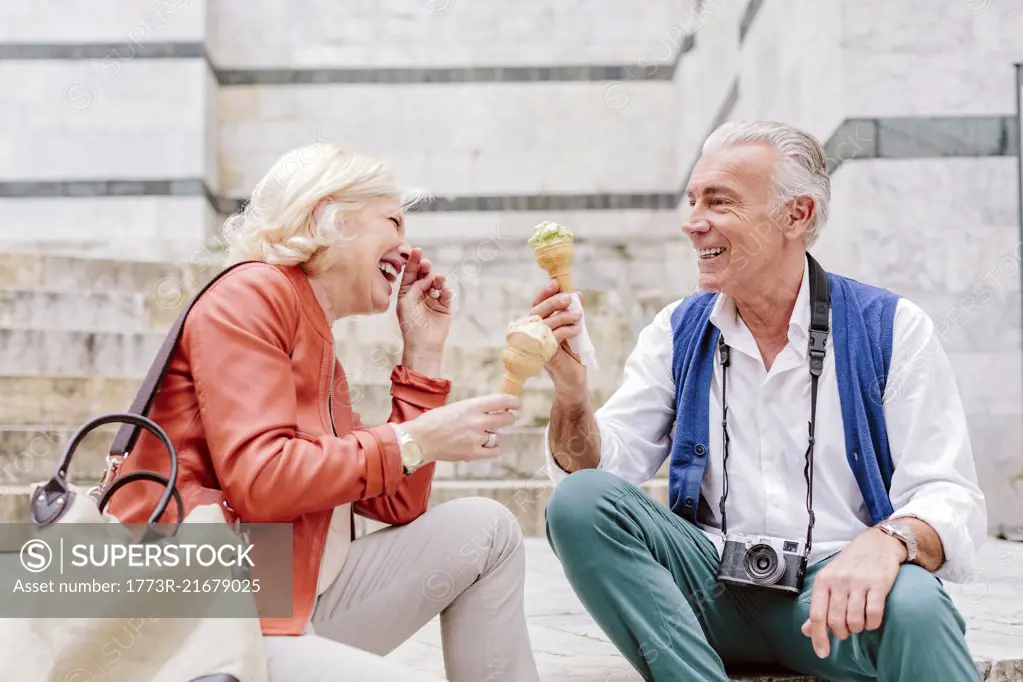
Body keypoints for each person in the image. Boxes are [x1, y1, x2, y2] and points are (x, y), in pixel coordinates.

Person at [532, 120, 988, 681]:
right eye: (693, 199)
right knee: (580, 501)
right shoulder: (677, 329)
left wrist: (889, 540)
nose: (693, 222)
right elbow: (598, 473)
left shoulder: (891, 328)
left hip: (836, 597)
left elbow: (949, 495)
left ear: (796, 215)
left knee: (918, 605)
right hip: (707, 597)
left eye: (719, 202)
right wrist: (572, 394)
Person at [106, 143, 541, 682]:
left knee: (489, 529)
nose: (408, 249)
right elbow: (262, 479)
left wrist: (422, 356)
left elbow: (396, 504)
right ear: (328, 217)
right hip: (212, 624)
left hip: (286, 599)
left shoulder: (316, 335)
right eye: (393, 222)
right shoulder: (253, 293)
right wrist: (417, 440)